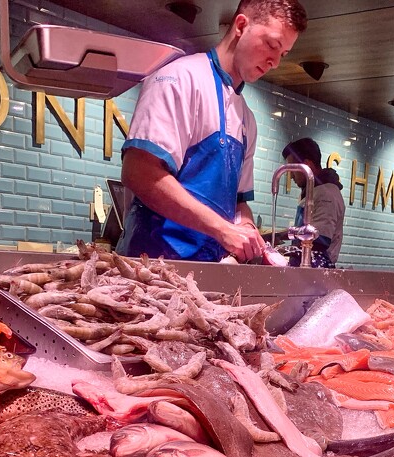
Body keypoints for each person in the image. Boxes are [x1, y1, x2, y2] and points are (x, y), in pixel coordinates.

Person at [117, 0, 308, 262]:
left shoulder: (246, 119)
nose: (274, 61)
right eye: (272, 45)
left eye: (283, 54)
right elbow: (139, 172)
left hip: (209, 272)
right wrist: (222, 229)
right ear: (241, 25)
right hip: (152, 266)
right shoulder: (178, 79)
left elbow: (239, 202)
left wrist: (247, 230)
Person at [281, 137, 345, 268]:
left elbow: (319, 241)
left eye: (293, 170)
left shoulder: (326, 194)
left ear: (307, 165)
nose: (291, 176)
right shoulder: (315, 192)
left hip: (317, 271)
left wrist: (283, 250)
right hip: (306, 269)